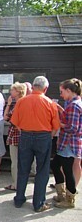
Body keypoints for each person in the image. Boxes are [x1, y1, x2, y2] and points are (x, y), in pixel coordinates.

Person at [11, 76, 60, 212]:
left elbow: (15, 122)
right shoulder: (50, 103)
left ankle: (19, 198)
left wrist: (25, 131)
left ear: (32, 86)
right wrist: (48, 136)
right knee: (42, 170)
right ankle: (38, 203)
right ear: (45, 88)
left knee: (23, 168)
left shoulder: (22, 101)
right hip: (43, 136)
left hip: (26, 135)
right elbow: (55, 126)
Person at [51, 78, 82, 209]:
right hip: (67, 142)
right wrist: (60, 109)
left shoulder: (74, 105)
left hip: (69, 143)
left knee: (67, 171)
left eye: (62, 91)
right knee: (55, 165)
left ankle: (69, 199)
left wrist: (58, 123)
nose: (61, 94)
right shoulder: (74, 103)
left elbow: (72, 128)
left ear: (69, 91)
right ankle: (62, 193)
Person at [4, 82, 27, 191]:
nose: (10, 92)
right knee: (22, 161)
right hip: (25, 135)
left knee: (15, 162)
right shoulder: (26, 102)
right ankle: (20, 183)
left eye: (12, 90)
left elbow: (6, 117)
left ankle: (15, 184)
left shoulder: (18, 103)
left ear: (17, 92)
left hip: (16, 135)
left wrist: (8, 104)